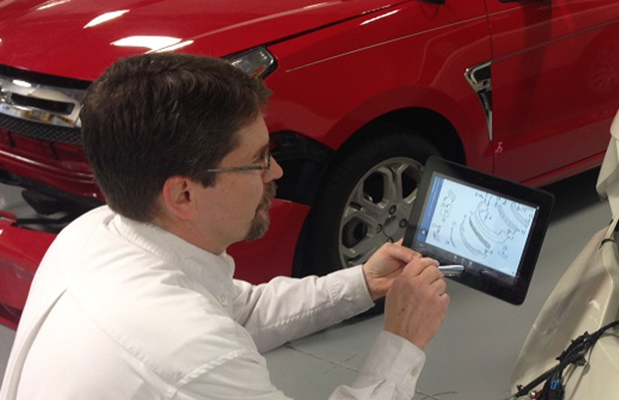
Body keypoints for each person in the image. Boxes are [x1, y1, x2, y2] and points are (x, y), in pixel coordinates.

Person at [0, 53, 449, 399]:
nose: (275, 173)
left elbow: (237, 310)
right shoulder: (188, 353)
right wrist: (402, 342)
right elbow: (201, 340)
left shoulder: (94, 232)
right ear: (184, 195)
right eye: (257, 162)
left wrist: (363, 282)